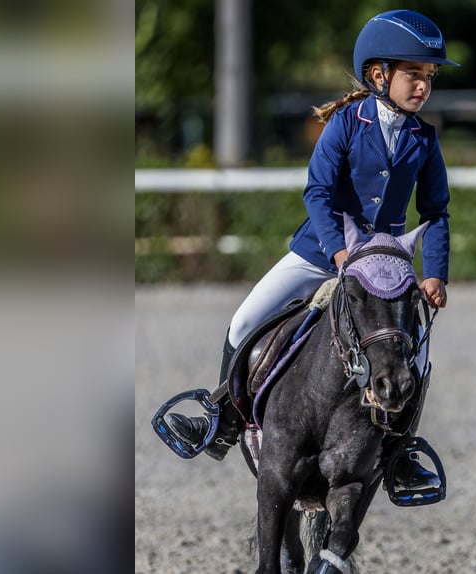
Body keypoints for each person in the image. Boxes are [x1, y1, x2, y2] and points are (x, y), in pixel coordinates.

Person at [164, 9, 458, 490]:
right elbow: (317, 193)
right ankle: (223, 421)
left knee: (418, 359)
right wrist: (338, 253)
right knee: (242, 323)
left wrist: (435, 274)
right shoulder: (346, 123)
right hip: (319, 254)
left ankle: (399, 455)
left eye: (429, 76)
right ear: (378, 74)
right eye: (414, 74)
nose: (424, 86)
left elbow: (436, 211)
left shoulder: (424, 138)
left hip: (384, 271)